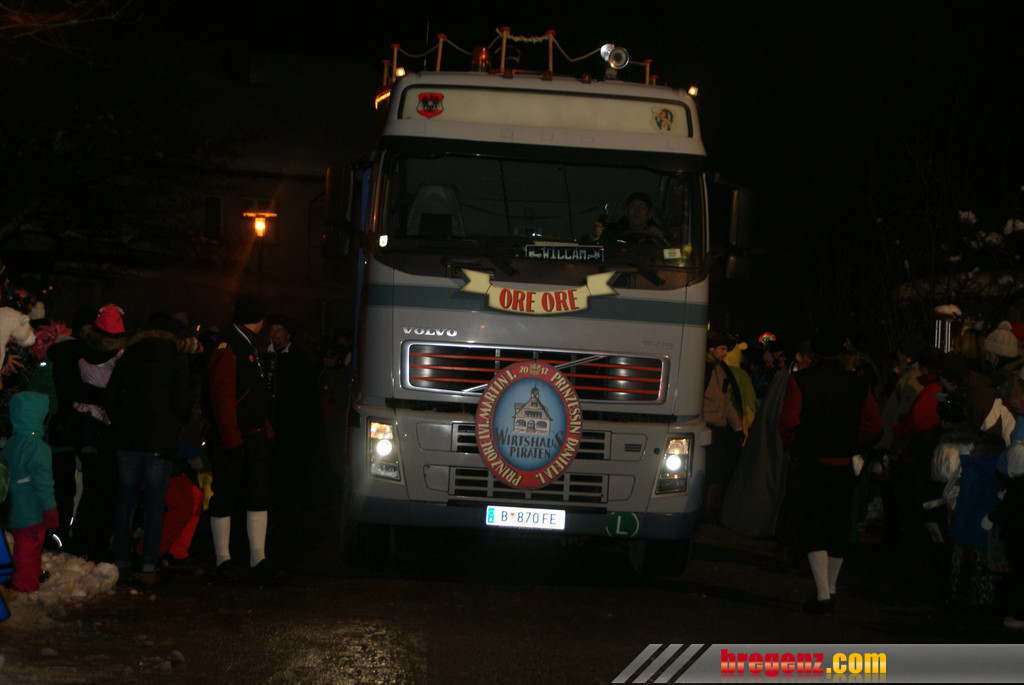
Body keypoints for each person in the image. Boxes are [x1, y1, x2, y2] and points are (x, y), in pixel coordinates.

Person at [778, 329, 882, 614]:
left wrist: (795, 445)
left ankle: (823, 593)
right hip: (844, 462)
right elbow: (874, 426)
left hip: (811, 461)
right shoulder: (857, 384)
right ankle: (830, 588)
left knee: (814, 523)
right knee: (838, 524)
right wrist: (853, 444)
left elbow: (788, 422)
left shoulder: (800, 380)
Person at [106, 313, 192, 583]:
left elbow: (111, 396)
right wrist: (173, 422)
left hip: (128, 439)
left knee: (126, 502)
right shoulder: (177, 360)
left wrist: (121, 421)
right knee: (155, 505)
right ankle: (148, 565)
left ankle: (120, 561)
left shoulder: (128, 357)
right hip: (160, 441)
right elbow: (183, 403)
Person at [207, 294, 284, 584]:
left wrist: (266, 429)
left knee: (259, 496)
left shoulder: (247, 344)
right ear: (259, 320)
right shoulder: (230, 346)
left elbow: (255, 394)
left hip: (254, 435)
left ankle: (258, 559)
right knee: (225, 497)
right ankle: (223, 560)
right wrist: (231, 438)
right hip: (236, 436)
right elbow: (223, 396)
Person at [69, 303, 127, 562]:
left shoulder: (81, 351)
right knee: (106, 488)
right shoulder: (119, 358)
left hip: (85, 423)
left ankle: (82, 539)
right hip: (108, 426)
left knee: (91, 487)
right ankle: (98, 542)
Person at [266, 314, 332, 523]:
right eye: (272, 330)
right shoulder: (265, 357)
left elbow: (305, 397)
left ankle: (291, 508)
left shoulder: (298, 359)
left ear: (287, 334)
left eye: (278, 330)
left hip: (292, 428)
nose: (274, 334)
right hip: (270, 426)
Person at [3, 391, 58, 604]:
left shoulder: (11, 444)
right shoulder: (38, 448)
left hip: (13, 507)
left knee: (25, 544)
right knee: (29, 546)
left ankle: (31, 574)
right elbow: (43, 483)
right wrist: (50, 508)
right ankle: (24, 584)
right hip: (32, 509)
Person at [702, 331, 744, 523]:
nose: (725, 353)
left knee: (719, 471)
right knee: (709, 470)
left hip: (719, 428)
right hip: (705, 427)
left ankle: (711, 508)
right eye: (722, 349)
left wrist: (737, 428)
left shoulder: (722, 370)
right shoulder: (702, 369)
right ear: (711, 349)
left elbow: (727, 401)